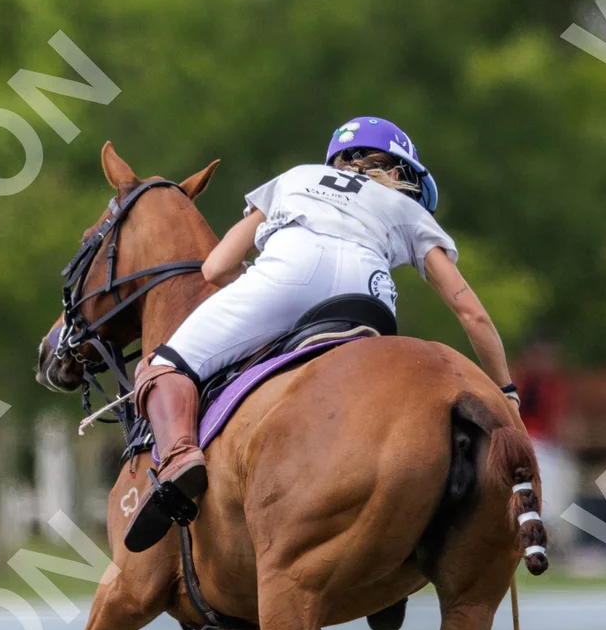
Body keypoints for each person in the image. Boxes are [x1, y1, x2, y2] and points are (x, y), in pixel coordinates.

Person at [125, 117, 517, 552]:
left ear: (335, 159)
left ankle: (179, 459)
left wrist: (261, 290)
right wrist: (505, 390)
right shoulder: (407, 209)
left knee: (163, 365)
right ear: (398, 171)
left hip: (287, 276)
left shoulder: (296, 177)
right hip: (368, 299)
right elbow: (472, 314)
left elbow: (216, 268)